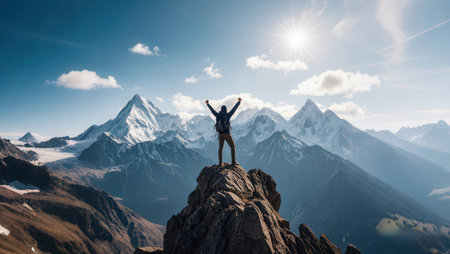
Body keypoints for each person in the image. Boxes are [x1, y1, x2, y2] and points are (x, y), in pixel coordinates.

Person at [205, 98, 242, 166]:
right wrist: (239, 102)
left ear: (221, 110)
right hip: (227, 134)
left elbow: (212, 110)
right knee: (232, 146)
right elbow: (234, 109)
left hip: (220, 134)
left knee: (220, 148)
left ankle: (220, 162)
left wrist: (208, 104)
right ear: (226, 110)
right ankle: (233, 161)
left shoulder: (217, 115)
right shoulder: (227, 115)